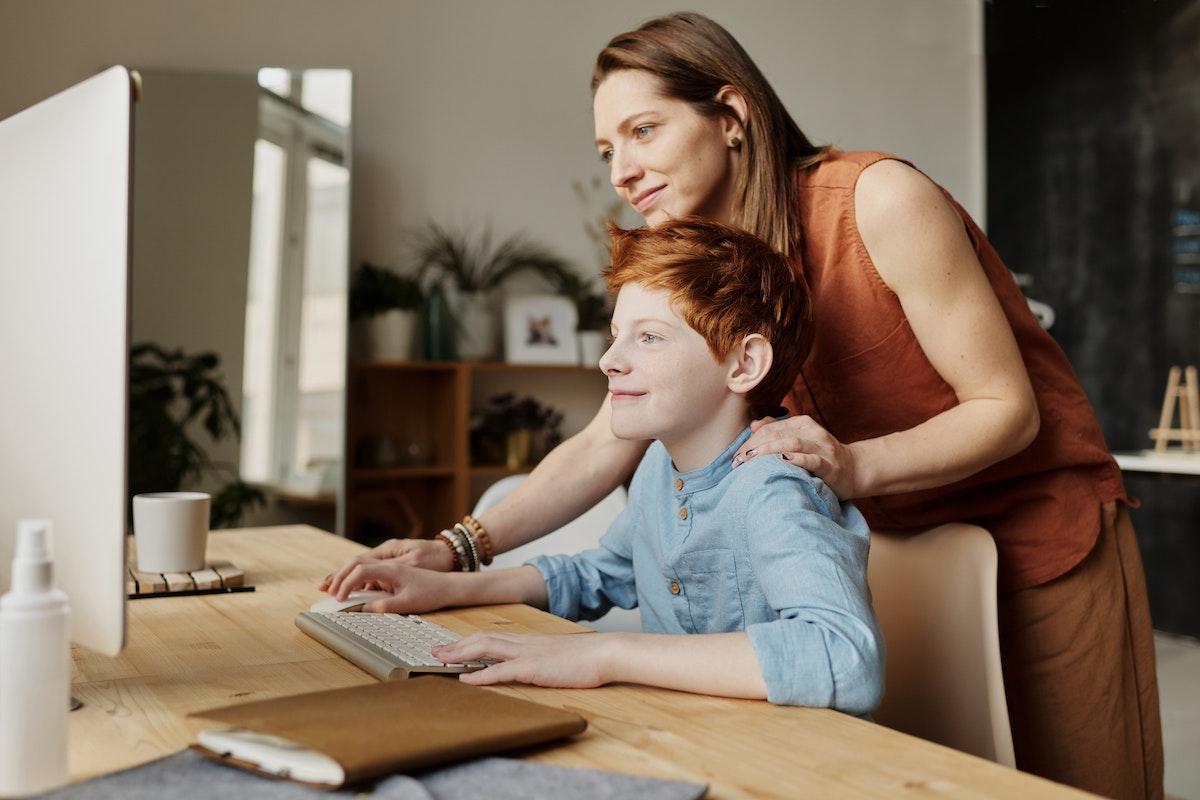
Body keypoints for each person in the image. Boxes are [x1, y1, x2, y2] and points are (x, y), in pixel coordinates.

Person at [324, 12, 1161, 798]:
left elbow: (1006, 408)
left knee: (1076, 785)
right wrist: (456, 548)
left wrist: (852, 463)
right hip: (893, 543)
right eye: (606, 149)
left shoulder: (878, 199)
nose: (621, 170)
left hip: (1040, 534)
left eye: (643, 131)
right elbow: (603, 440)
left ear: (731, 113)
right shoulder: (702, 261)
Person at [327, 219, 885, 712]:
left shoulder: (773, 488)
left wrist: (606, 653)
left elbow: (844, 655)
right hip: (683, 733)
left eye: (648, 338)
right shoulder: (657, 470)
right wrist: (447, 587)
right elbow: (604, 573)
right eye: (617, 334)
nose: (609, 360)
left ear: (743, 364)